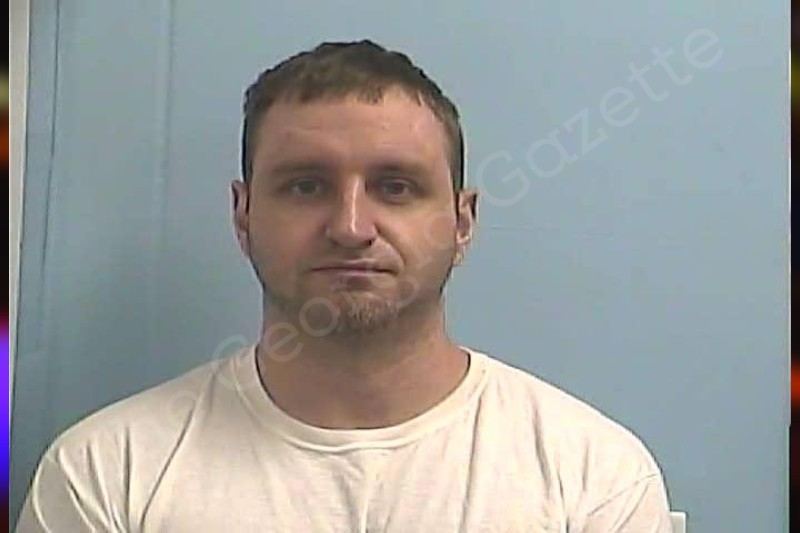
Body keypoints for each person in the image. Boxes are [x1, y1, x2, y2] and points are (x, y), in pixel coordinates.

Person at [17, 40, 673, 532]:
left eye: (396, 187)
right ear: (243, 214)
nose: (351, 227)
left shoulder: (592, 478)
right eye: (306, 186)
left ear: (462, 221)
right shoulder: (108, 475)